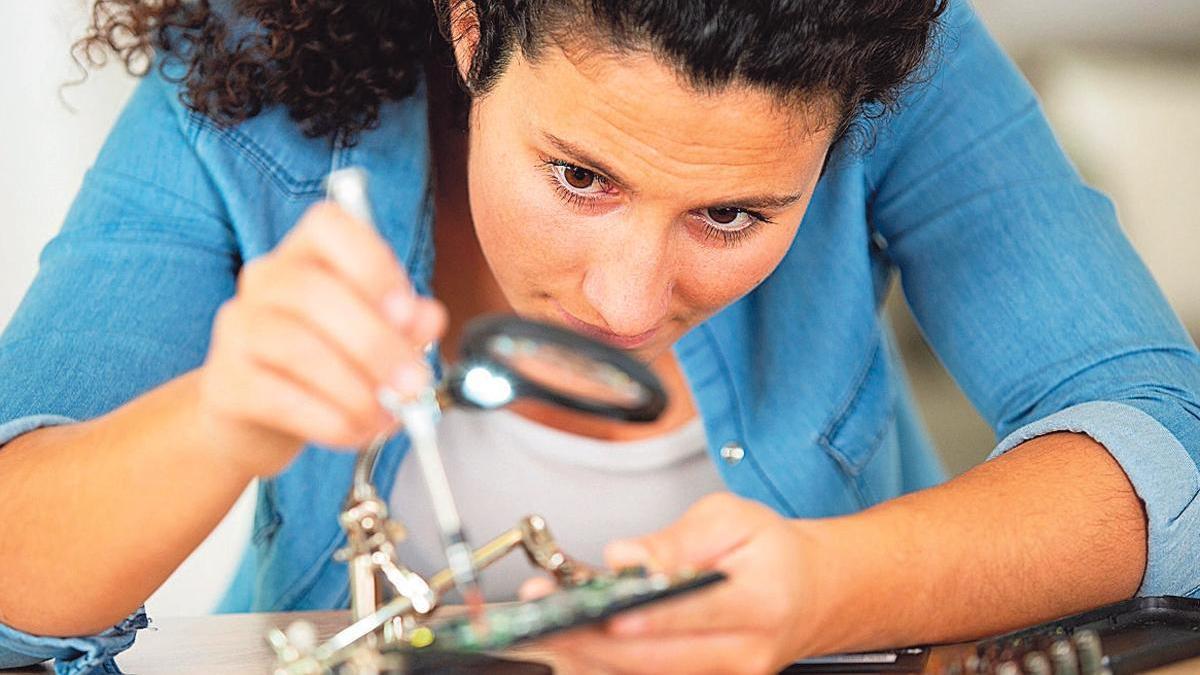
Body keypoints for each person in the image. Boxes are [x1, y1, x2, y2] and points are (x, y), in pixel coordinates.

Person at [1, 0, 1198, 673]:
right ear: (469, 26)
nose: (627, 310)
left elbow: (1167, 446)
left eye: (732, 214)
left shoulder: (892, 58)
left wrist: (829, 591)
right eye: (579, 176)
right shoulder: (245, 85)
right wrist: (217, 419)